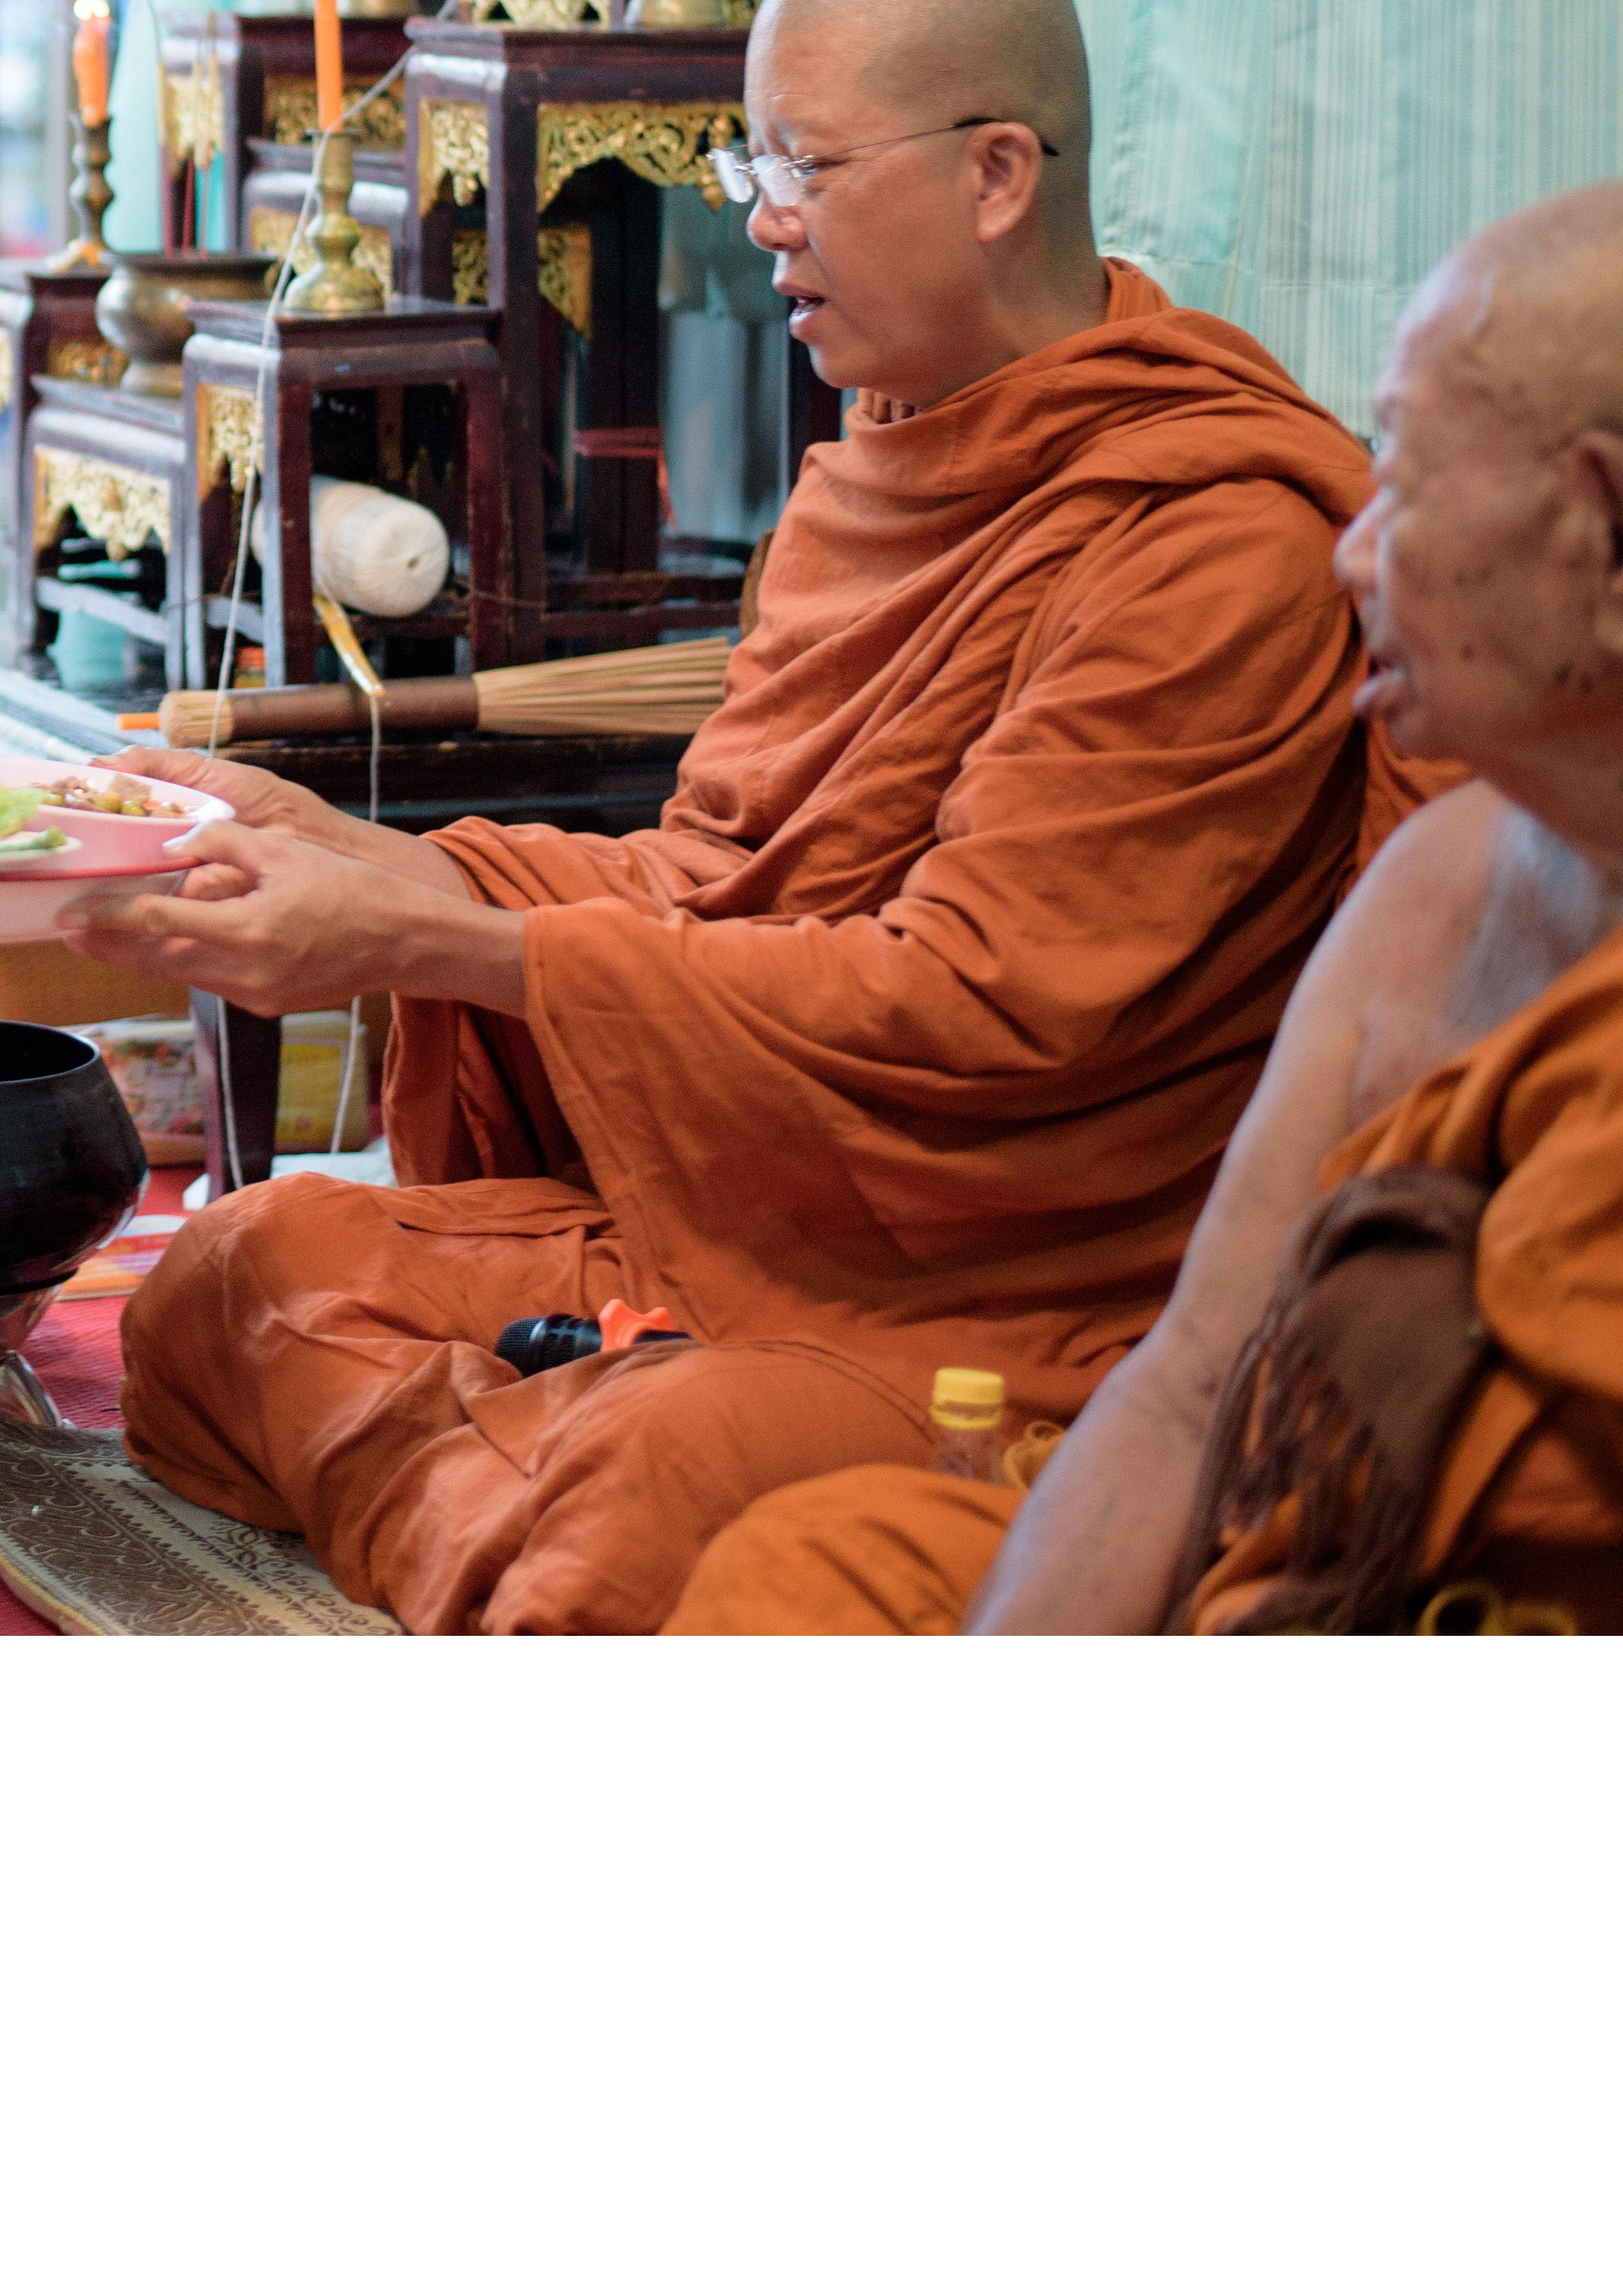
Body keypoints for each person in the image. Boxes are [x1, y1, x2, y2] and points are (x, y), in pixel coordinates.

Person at [57, 0, 1437, 1634]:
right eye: (749, 166)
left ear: (995, 174)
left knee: (645, 1506)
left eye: (803, 166)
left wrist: (425, 941)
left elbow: (968, 1007)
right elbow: (707, 884)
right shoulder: (879, 467)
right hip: (753, 1204)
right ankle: (547, 1449)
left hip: (1003, 1297)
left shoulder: (1202, 545)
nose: (763, 217)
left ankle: (565, 1458)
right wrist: (363, 856)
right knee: (226, 1280)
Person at [667, 184, 1623, 1634]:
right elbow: (1188, 1381)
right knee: (809, 1566)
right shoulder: (1438, 883)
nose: (1353, 548)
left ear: (1598, 523)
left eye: (1414, 488)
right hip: (1288, 1583)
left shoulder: (1209, 539)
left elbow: (991, 990)